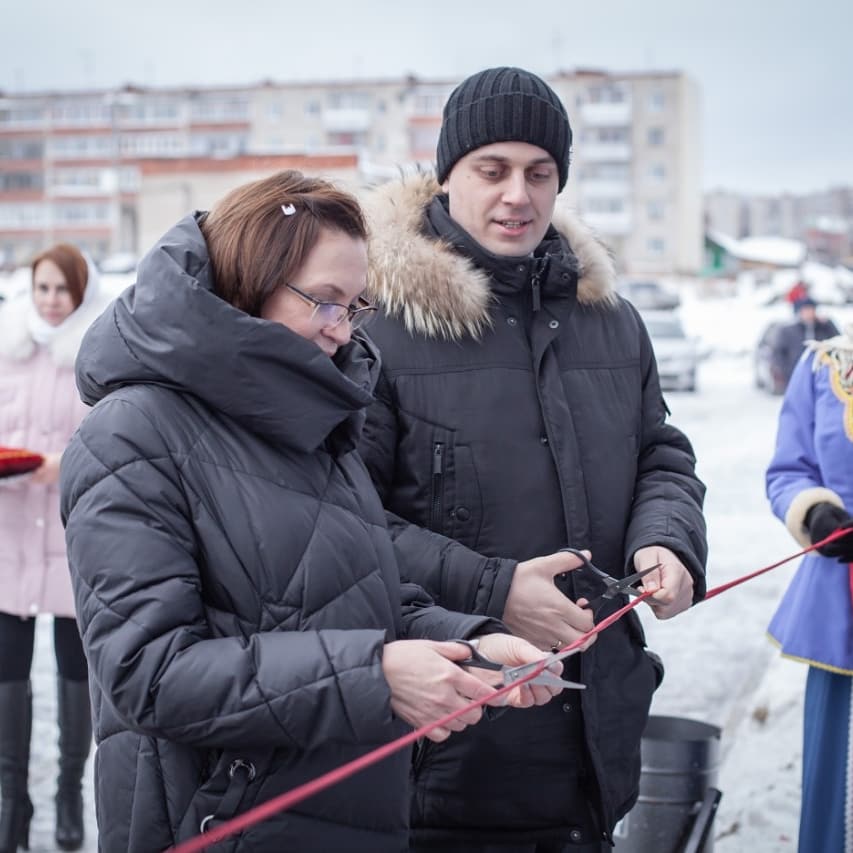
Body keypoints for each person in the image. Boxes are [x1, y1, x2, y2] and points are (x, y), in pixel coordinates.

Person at [58, 170, 565, 853]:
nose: (341, 330)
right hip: (218, 823)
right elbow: (148, 673)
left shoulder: (307, 419)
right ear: (246, 285)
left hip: (347, 815)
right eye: (323, 301)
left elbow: (354, 596)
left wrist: (466, 645)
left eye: (355, 306)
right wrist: (375, 675)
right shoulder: (131, 433)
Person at [358, 67, 708, 852]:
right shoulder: (376, 329)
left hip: (593, 751)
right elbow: (341, 525)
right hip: (448, 758)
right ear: (447, 175)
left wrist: (666, 536)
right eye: (492, 169)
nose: (517, 193)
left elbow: (659, 451)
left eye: (539, 172)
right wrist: (495, 590)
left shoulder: (610, 321)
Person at [0, 243, 107, 852]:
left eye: (62, 290)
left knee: (76, 675)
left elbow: (115, 439)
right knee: (8, 675)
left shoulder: (96, 358)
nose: (51, 300)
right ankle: (12, 801)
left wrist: (64, 465)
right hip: (9, 539)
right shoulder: (6, 351)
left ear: (80, 294)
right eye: (42, 288)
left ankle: (70, 791)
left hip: (71, 543)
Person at [765, 324, 853, 853]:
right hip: (839, 609)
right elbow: (788, 471)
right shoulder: (826, 367)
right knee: (834, 785)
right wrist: (814, 512)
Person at [771, 295, 839, 391]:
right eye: (806, 310)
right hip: (797, 377)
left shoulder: (824, 327)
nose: (809, 313)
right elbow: (778, 353)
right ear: (800, 311)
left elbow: (838, 343)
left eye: (811, 309)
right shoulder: (788, 331)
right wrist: (787, 372)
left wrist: (828, 324)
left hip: (823, 377)